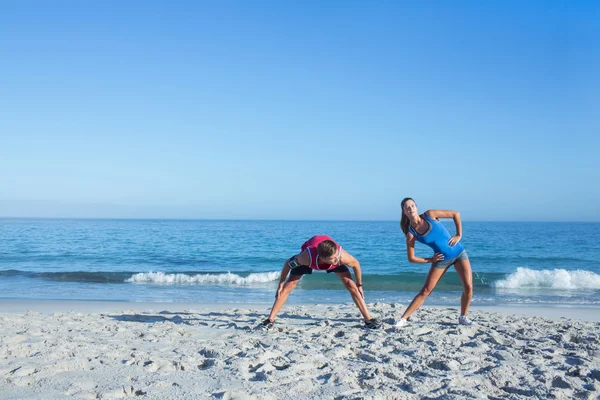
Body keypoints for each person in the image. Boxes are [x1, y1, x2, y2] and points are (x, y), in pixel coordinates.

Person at [259, 235, 382, 330]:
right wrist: (281, 283)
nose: (335, 260)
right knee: (288, 286)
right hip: (311, 259)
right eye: (332, 259)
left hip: (327, 254)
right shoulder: (306, 257)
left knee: (352, 286)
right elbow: (287, 264)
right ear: (322, 258)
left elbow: (356, 264)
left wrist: (359, 285)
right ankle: (270, 320)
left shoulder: (340, 257)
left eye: (336, 257)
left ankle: (368, 320)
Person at [395, 198, 474, 327]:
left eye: (413, 206)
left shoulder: (430, 215)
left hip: (459, 253)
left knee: (468, 286)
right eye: (407, 208)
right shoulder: (411, 233)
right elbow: (411, 258)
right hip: (441, 260)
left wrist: (459, 234)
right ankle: (403, 319)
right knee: (426, 290)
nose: (411, 209)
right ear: (404, 212)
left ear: (416, 207)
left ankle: (463, 317)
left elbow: (456, 214)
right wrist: (430, 260)